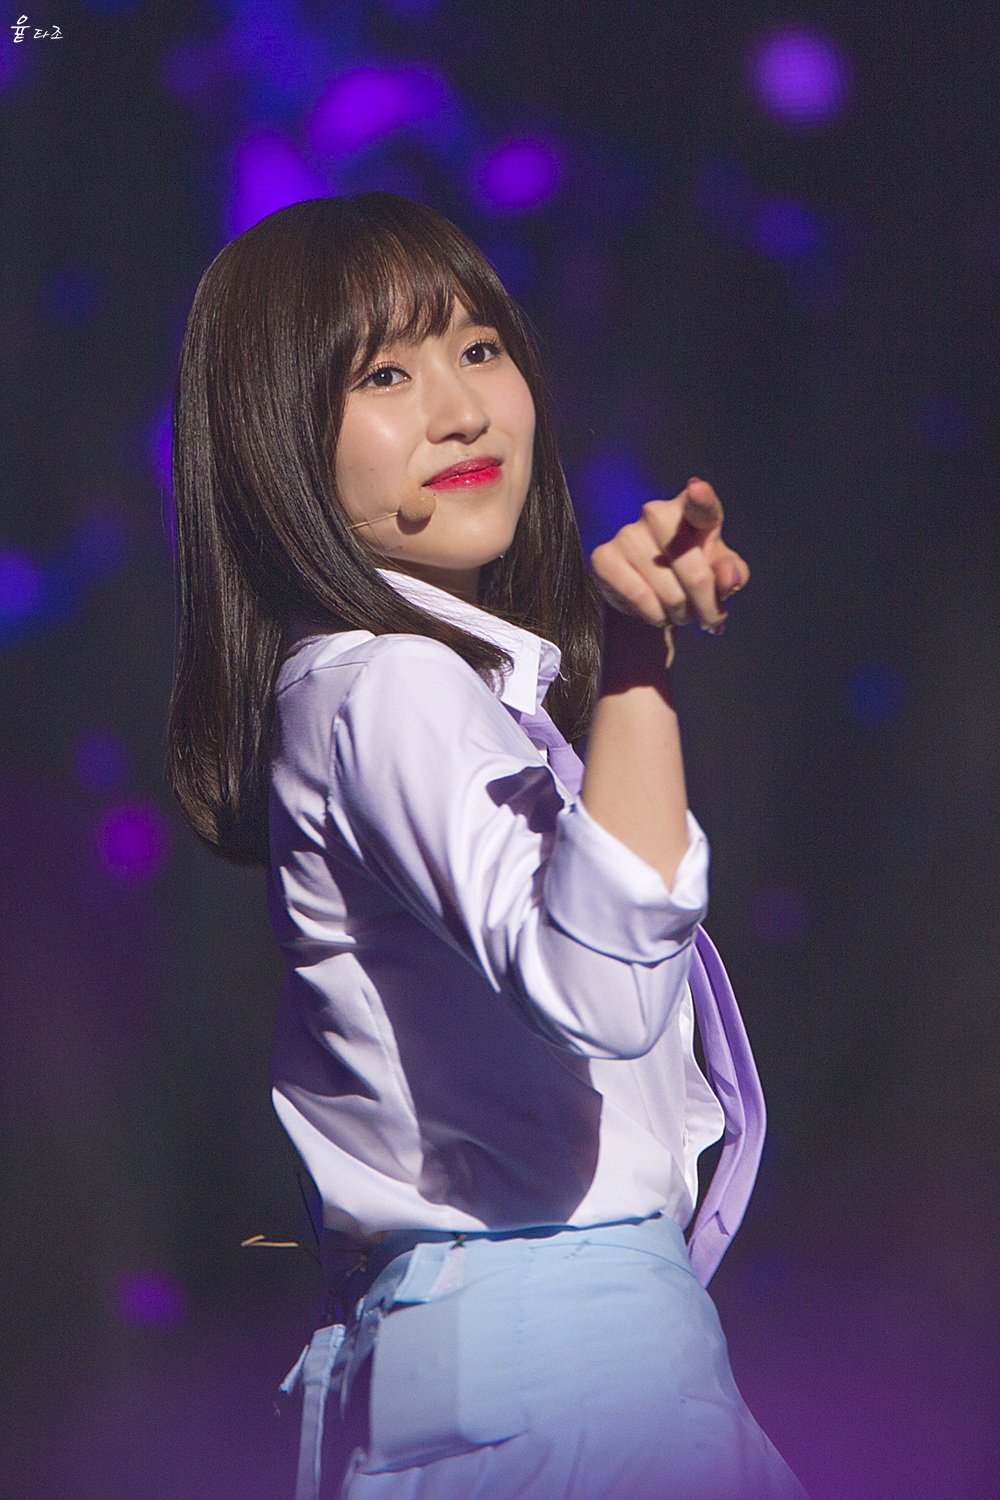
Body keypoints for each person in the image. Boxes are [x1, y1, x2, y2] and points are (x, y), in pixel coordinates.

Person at [167, 192, 807, 1499]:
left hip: (533, 1386)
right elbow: (603, 988)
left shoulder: (404, 693)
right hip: (565, 1394)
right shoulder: (388, 685)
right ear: (274, 439)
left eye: (479, 348)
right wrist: (638, 667)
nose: (461, 410)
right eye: (384, 375)